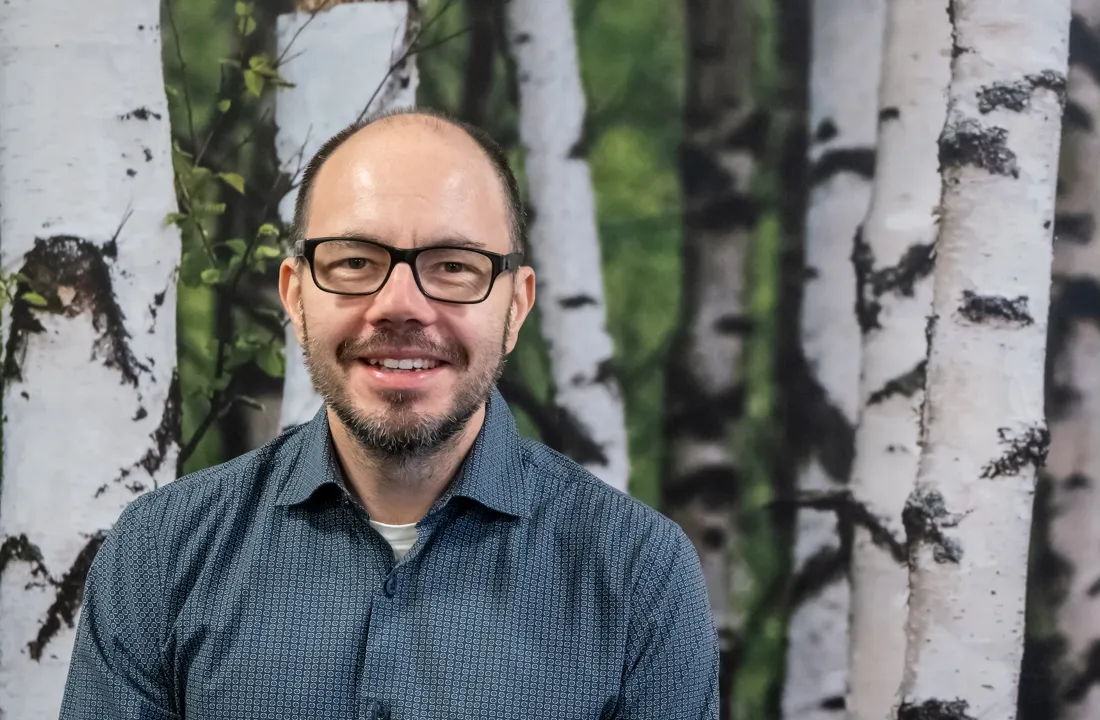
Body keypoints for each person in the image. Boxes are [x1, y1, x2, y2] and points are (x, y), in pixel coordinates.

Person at [59, 107, 718, 719]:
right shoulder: (161, 553)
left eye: (454, 265)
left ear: (515, 307)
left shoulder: (638, 573)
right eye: (354, 262)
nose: (400, 304)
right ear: (295, 296)